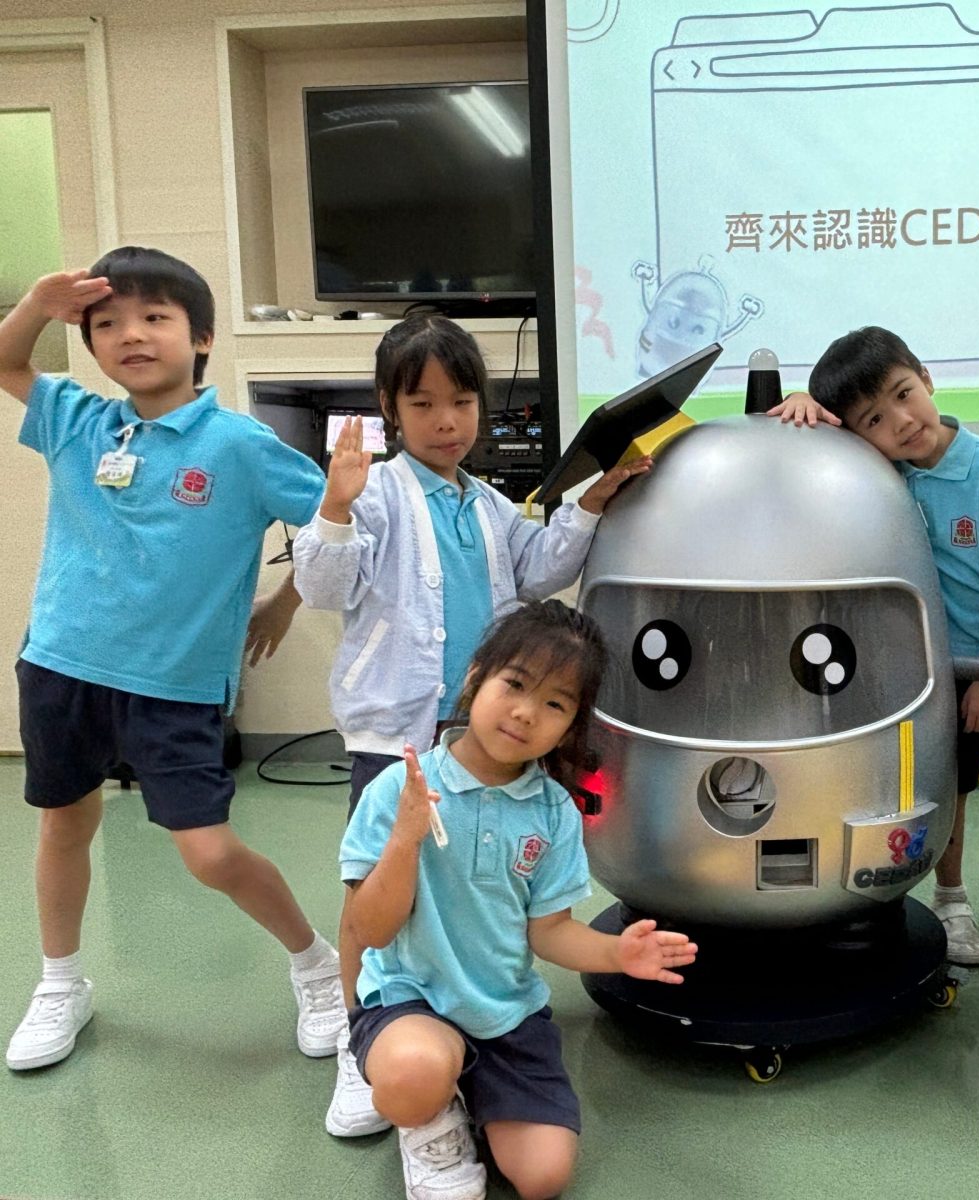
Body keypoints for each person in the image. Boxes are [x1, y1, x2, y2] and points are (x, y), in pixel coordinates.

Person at [293, 312, 645, 1136]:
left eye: (460, 402)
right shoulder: (376, 496)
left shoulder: (487, 504)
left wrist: (590, 505)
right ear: (390, 409)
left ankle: (460, 1017)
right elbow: (323, 588)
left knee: (463, 886)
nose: (445, 421)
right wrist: (336, 507)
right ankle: (360, 1036)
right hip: (396, 736)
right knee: (372, 889)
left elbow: (538, 570)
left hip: (482, 743)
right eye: (422, 404)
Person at [0, 249, 344, 1071]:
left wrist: (286, 601)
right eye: (107, 323)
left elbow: (337, 518)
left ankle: (317, 965)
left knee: (210, 853)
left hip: (176, 686)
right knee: (64, 824)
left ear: (202, 339)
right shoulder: (78, 419)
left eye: (155, 318)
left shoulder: (240, 444)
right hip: (61, 665)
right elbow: (6, 361)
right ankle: (61, 982)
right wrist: (37, 303)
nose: (131, 335)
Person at [342, 600, 696, 1200]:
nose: (527, 712)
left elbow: (549, 931)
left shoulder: (553, 811)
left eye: (556, 704)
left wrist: (618, 954)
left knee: (542, 1177)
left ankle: (467, 1088)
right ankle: (429, 1117)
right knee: (412, 1076)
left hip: (505, 1016)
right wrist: (404, 840)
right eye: (514, 683)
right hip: (410, 1001)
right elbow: (370, 931)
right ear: (476, 677)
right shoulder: (398, 788)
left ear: (572, 724)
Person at [777, 327, 979, 963]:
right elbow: (822, 439)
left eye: (905, 394)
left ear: (927, 379)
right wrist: (805, 401)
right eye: (875, 419)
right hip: (937, 671)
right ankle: (951, 899)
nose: (902, 422)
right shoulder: (881, 473)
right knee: (947, 785)